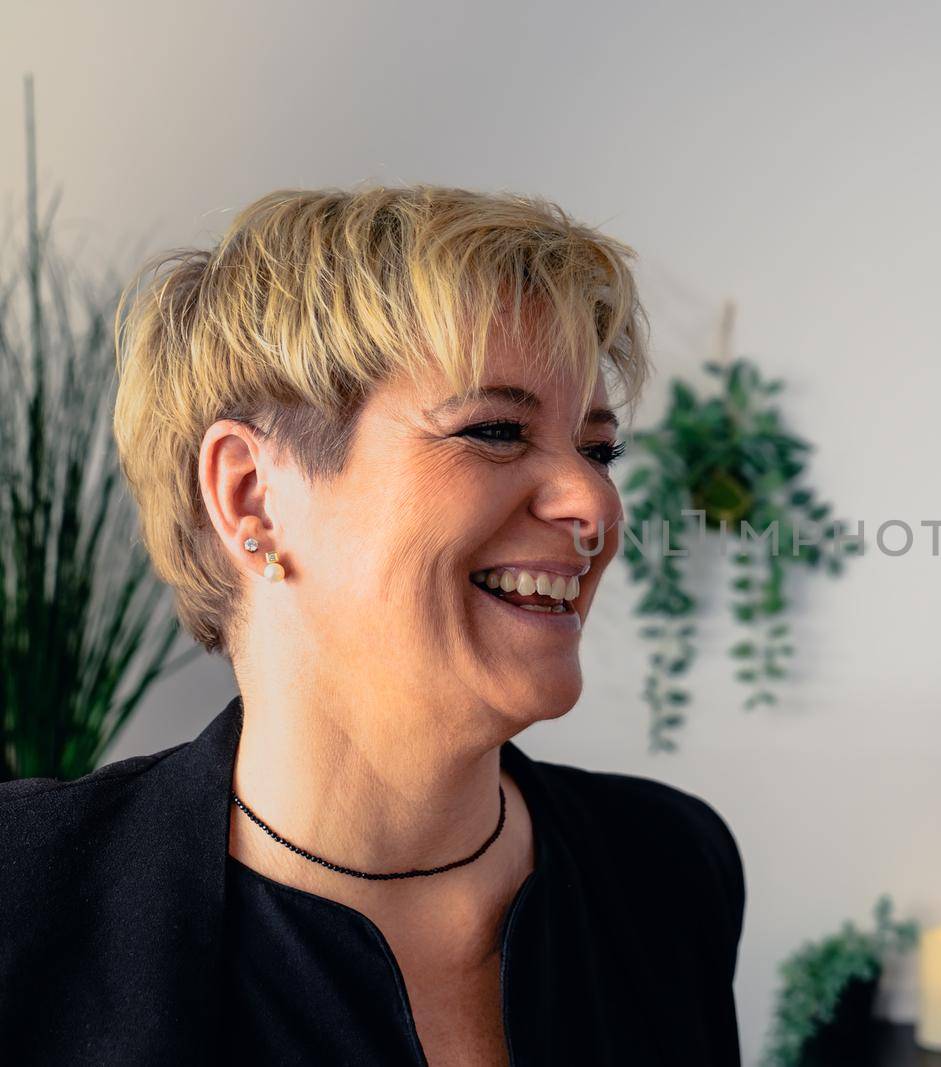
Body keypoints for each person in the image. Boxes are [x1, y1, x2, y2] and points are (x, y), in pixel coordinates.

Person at [0, 186, 745, 1066]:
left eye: (597, 448)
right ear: (252, 496)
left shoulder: (667, 867)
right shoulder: (25, 894)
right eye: (497, 430)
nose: (594, 502)